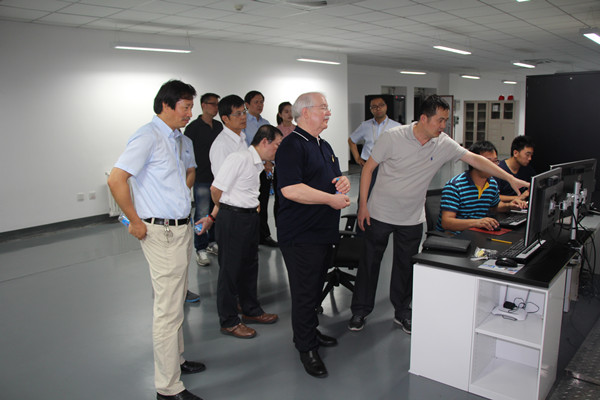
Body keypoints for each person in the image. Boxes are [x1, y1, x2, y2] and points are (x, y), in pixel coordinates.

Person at [347, 95, 529, 335]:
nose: (444, 125)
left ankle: (402, 312)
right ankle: (360, 311)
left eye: (446, 120)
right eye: (440, 120)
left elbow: (475, 159)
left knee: (405, 267)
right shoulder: (393, 137)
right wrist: (363, 205)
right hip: (379, 213)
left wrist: (509, 178)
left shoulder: (443, 143)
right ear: (424, 118)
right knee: (370, 263)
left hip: (412, 218)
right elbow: (368, 169)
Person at [107, 80, 207, 400]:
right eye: (185, 107)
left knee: (175, 301)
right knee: (167, 310)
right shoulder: (148, 136)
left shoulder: (178, 139)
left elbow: (180, 177)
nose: (190, 113)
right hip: (160, 233)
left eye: (191, 107)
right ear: (166, 105)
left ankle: (176, 360)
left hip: (180, 229)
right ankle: (168, 387)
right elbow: (116, 179)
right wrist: (134, 221)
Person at [276, 92, 351, 378]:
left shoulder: (323, 144)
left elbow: (332, 177)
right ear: (305, 112)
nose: (328, 112)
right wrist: (331, 200)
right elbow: (290, 189)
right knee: (304, 292)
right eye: (323, 108)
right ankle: (306, 347)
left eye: (328, 108)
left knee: (315, 288)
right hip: (301, 234)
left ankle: (310, 332)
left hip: (322, 231)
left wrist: (342, 182)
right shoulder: (292, 146)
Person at [201, 125, 283, 339]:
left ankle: (251, 310)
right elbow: (216, 189)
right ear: (264, 142)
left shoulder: (257, 164)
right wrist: (224, 210)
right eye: (277, 145)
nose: (278, 149)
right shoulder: (239, 158)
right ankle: (229, 321)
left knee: (249, 266)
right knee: (230, 271)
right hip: (233, 218)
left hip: (249, 218)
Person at [435, 141, 527, 234]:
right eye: (488, 162)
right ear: (475, 162)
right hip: (453, 237)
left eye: (495, 161)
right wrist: (477, 222)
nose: (494, 166)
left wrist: (510, 206)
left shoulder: (492, 183)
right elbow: (447, 223)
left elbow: (494, 206)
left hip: (476, 233)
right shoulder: (455, 185)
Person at [185, 92, 222, 267]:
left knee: (216, 211)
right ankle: (200, 248)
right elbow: (187, 155)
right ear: (203, 105)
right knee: (201, 213)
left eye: (217, 104)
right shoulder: (193, 128)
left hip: (218, 177)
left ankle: (212, 242)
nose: (216, 108)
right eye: (213, 104)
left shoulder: (219, 126)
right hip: (202, 177)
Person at [244, 90, 278, 247]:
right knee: (250, 205)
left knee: (263, 203)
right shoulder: (244, 123)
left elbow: (271, 145)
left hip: (264, 170)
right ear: (247, 104)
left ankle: (264, 236)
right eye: (256, 102)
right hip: (250, 169)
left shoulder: (266, 123)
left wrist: (269, 162)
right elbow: (245, 147)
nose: (260, 105)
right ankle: (250, 238)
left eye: (262, 102)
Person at [348, 96, 401, 167]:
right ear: (371, 109)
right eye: (374, 107)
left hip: (388, 164)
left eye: (381, 105)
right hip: (368, 163)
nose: (378, 108)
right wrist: (357, 158)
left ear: (386, 107)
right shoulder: (365, 125)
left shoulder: (396, 126)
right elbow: (351, 140)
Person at [496, 136, 536, 201]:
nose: (530, 158)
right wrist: (519, 198)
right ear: (515, 153)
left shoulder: (527, 170)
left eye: (531, 155)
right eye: (527, 155)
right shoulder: (499, 170)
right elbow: (494, 197)